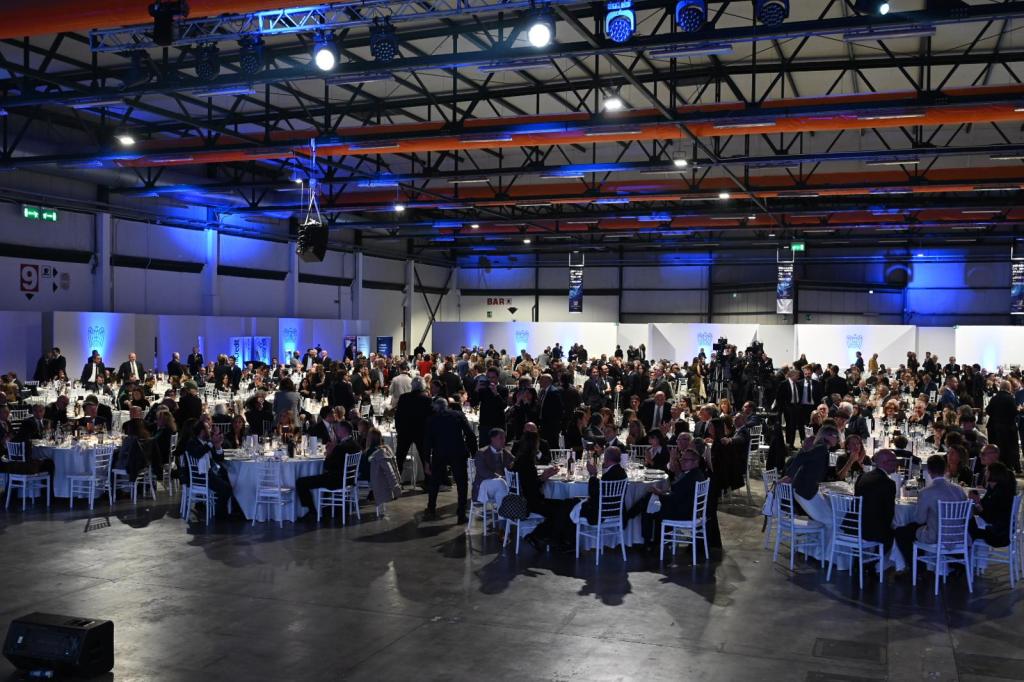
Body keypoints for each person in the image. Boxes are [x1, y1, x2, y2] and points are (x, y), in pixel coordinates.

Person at [893, 454, 967, 568]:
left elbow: (919, 519)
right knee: (912, 530)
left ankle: (917, 567)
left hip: (936, 536)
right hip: (960, 535)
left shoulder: (926, 492)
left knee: (901, 532)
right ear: (945, 469)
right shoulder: (959, 490)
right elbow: (968, 516)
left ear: (929, 471)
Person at [423, 398, 476, 523]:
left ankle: (431, 509)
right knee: (462, 484)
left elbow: (427, 442)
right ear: (447, 406)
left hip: (439, 453)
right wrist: (474, 453)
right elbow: (470, 434)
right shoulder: (458, 415)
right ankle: (461, 513)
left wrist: (426, 461)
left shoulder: (431, 419)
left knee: (434, 482)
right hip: (458, 452)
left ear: (435, 407)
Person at [644, 446, 708, 547]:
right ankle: (661, 542)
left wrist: (659, 493)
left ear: (695, 462)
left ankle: (652, 545)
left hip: (683, 513)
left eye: (686, 460)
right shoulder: (697, 474)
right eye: (682, 459)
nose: (682, 461)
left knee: (649, 511)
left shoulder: (691, 478)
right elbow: (679, 494)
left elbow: (674, 499)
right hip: (691, 511)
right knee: (648, 502)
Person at [296, 420, 360, 520]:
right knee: (314, 479)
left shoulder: (341, 447)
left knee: (301, 482)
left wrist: (329, 453)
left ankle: (312, 511)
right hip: (349, 480)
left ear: (343, 431)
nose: (336, 431)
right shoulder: (355, 444)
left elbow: (327, 466)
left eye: (338, 429)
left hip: (336, 480)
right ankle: (320, 507)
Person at [782, 425, 838, 527]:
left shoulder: (822, 448)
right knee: (830, 521)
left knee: (830, 518)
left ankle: (819, 536)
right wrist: (789, 476)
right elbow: (800, 458)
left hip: (807, 488)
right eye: (835, 436)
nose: (837, 438)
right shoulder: (821, 448)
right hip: (804, 490)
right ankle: (821, 537)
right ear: (827, 435)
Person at [183, 420, 239, 519]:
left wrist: (218, 445)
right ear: (202, 431)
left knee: (231, 480)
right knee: (226, 488)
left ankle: (233, 509)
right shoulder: (192, 442)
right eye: (208, 428)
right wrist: (211, 443)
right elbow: (197, 453)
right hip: (200, 477)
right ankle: (220, 515)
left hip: (210, 473)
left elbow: (219, 458)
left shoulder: (207, 442)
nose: (210, 430)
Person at [854, 448, 897, 555]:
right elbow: (889, 513)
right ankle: (880, 561)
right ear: (885, 463)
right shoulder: (888, 483)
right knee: (900, 533)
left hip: (855, 527)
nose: (896, 464)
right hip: (872, 532)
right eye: (894, 461)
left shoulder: (862, 477)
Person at [968, 461, 1017, 548]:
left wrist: (977, 503)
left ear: (993, 474)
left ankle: (964, 552)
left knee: (965, 525)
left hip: (997, 535)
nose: (985, 473)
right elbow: (986, 506)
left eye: (987, 471)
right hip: (1000, 529)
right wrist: (978, 500)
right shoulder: (994, 488)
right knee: (969, 522)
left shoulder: (1000, 493)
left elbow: (989, 517)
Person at [394, 377, 433, 486]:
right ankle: (429, 482)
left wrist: (398, 430)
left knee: (399, 459)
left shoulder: (403, 398)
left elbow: (398, 415)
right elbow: (430, 418)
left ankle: (396, 482)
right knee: (425, 458)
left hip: (405, 432)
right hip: (421, 432)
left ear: (412, 386)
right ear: (423, 386)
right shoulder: (427, 400)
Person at [579, 445, 627, 525]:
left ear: (606, 458)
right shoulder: (622, 472)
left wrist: (593, 475)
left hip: (600, 513)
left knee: (570, 504)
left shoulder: (608, 475)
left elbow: (593, 494)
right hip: (617, 511)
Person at [472, 427, 512, 513]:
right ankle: (506, 514)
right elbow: (482, 472)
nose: (504, 440)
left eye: (504, 438)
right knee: (501, 483)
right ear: (492, 439)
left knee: (503, 487)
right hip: (484, 484)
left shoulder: (506, 452)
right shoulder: (482, 452)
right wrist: (500, 477)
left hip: (501, 485)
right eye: (501, 438)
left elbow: (515, 463)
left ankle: (503, 516)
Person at [985, 380, 1021, 473]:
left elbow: (988, 410)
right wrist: (1019, 409)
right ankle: (1013, 467)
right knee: (1011, 449)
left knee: (998, 448)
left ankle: (998, 467)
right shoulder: (1010, 398)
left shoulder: (994, 398)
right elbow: (1014, 412)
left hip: (994, 427)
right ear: (1009, 388)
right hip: (1008, 428)